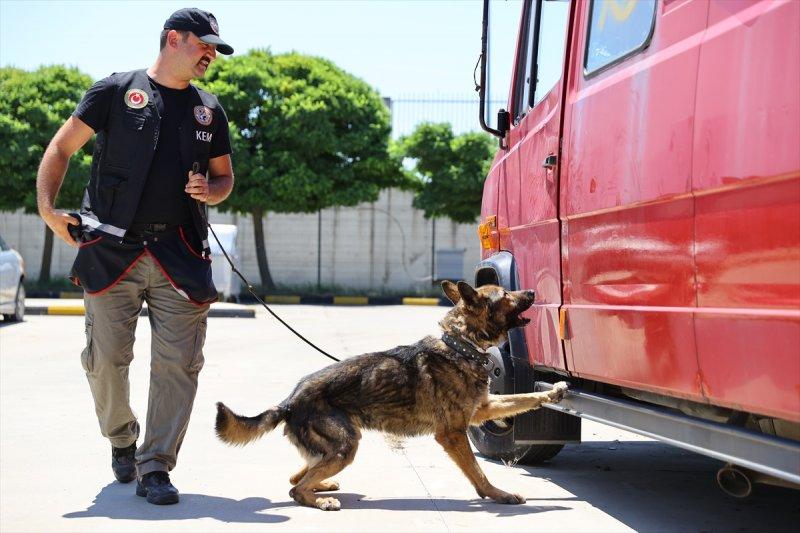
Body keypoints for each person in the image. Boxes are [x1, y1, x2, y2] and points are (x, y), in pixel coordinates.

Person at [36, 8, 234, 505]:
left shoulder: (209, 110)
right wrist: (49, 211)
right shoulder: (116, 92)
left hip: (180, 253)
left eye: (216, 47)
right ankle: (122, 436)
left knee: (178, 364)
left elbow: (224, 178)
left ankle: (155, 466)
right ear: (173, 39)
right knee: (105, 359)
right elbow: (61, 150)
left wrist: (209, 190)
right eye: (203, 43)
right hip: (111, 249)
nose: (211, 53)